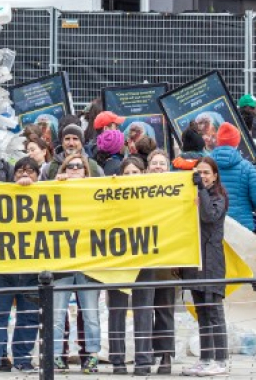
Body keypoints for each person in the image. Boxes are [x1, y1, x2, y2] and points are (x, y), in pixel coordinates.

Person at [0, 156, 41, 374]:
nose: (25, 175)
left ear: (38, 175)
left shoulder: (48, 195)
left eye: (30, 171)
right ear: (12, 176)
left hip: (33, 268)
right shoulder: (0, 196)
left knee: (30, 314)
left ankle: (23, 360)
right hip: (3, 267)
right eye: (20, 171)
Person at [52, 153, 102, 374]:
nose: (74, 169)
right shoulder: (54, 188)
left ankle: (92, 355)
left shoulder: (94, 192)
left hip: (88, 261)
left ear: (85, 171)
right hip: (62, 261)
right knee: (57, 313)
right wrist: (54, 185)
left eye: (78, 166)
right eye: (70, 166)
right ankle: (54, 356)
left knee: (90, 313)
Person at [181, 157, 230, 377]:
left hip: (211, 260)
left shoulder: (218, 196)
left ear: (215, 175)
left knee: (214, 311)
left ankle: (221, 359)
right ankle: (206, 358)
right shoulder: (192, 193)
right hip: (195, 259)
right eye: (199, 172)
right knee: (201, 312)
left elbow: (209, 215)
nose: (202, 176)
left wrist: (200, 188)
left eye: (206, 172)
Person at [107, 157, 155, 376]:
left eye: (136, 172)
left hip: (145, 259)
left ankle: (143, 360)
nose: (131, 177)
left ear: (143, 174)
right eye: (127, 173)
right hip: (118, 261)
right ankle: (117, 360)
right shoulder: (112, 198)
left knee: (143, 310)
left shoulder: (152, 197)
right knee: (117, 310)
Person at [145, 150, 175, 374]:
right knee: (144, 309)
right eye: (154, 163)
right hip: (143, 259)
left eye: (161, 163)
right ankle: (144, 353)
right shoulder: (137, 191)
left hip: (167, 258)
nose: (157, 167)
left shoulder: (176, 191)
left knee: (164, 309)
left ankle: (165, 356)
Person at [210, 124, 256, 231]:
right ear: (236, 142)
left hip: (213, 223)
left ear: (218, 141)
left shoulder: (205, 166)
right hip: (242, 225)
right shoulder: (246, 167)